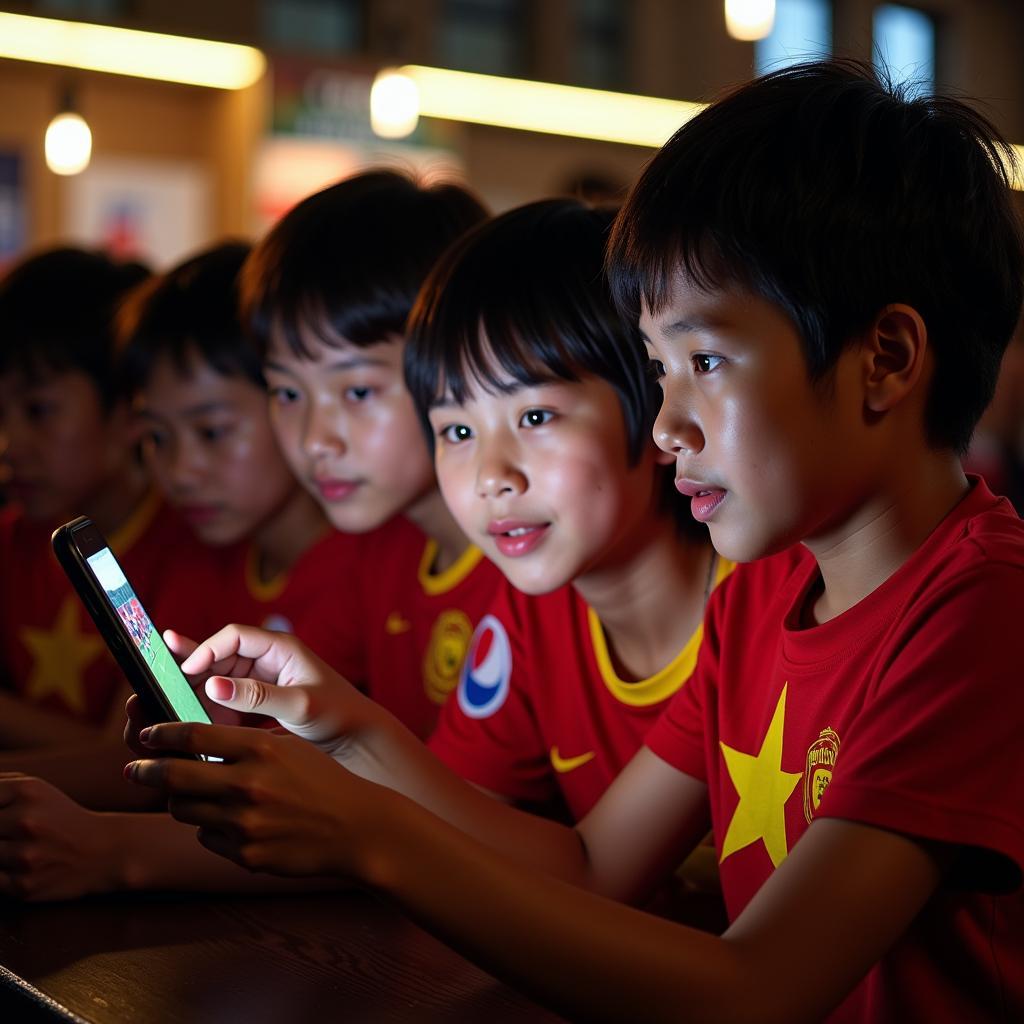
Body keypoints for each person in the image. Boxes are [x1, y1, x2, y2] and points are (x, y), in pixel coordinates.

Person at [126, 61, 1024, 1022]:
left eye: (707, 360)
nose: (666, 424)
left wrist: (371, 839)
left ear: (884, 358)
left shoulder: (980, 612)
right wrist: (344, 727)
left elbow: (756, 990)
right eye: (657, 369)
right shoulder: (763, 592)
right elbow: (593, 866)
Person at [405, 198, 728, 826]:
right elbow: (452, 831)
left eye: (535, 417)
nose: (492, 477)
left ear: (659, 410)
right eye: (457, 432)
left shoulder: (773, 604)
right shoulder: (532, 622)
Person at [117, 241, 362, 685]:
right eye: (157, 436)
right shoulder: (199, 561)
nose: (179, 472)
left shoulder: (364, 574)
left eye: (212, 431)